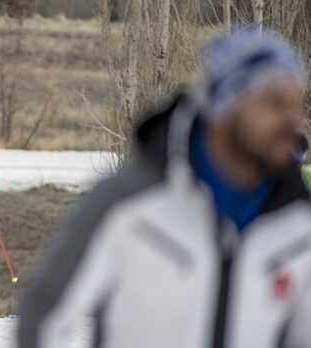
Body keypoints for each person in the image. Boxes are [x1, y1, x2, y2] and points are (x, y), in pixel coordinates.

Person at [18, 26, 311, 348]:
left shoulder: (298, 222)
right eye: (273, 103)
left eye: (294, 104)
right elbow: (45, 316)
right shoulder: (126, 204)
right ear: (226, 106)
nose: (290, 120)